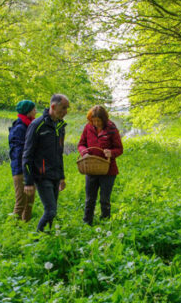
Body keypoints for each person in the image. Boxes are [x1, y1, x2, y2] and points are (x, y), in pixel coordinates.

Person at [23, 94, 70, 232]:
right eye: (63, 108)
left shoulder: (60, 126)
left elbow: (59, 154)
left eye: (67, 108)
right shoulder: (37, 125)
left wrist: (62, 176)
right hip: (42, 175)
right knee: (50, 211)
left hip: (55, 174)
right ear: (53, 107)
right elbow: (27, 155)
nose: (66, 112)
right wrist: (28, 182)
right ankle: (38, 238)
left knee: (52, 211)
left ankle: (47, 237)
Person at [77, 105, 124, 225]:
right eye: (94, 121)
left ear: (104, 119)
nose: (96, 123)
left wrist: (111, 152)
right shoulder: (88, 128)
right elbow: (81, 144)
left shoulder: (111, 128)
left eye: (99, 121)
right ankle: (87, 222)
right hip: (91, 168)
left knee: (104, 200)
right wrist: (84, 152)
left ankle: (105, 223)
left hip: (108, 170)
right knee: (89, 199)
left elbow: (119, 148)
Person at [8, 99, 37, 221]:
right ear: (28, 112)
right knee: (21, 202)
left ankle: (25, 228)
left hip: (29, 169)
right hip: (20, 170)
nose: (36, 111)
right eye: (34, 109)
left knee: (29, 203)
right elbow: (19, 152)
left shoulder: (28, 125)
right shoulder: (20, 127)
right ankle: (13, 231)